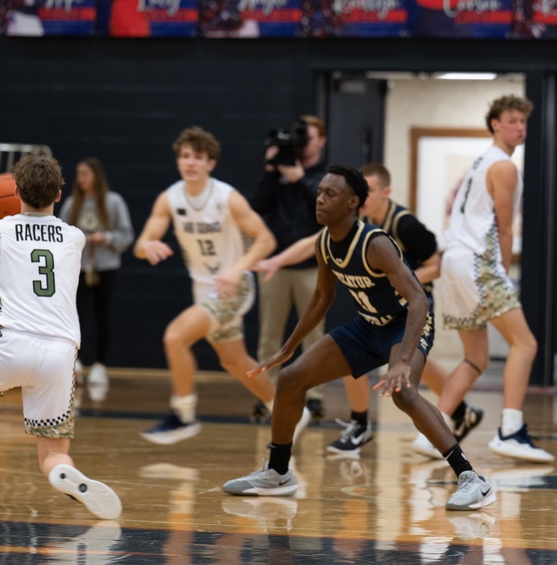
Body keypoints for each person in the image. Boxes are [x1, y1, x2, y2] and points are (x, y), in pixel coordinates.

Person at [221, 165, 497, 512]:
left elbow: (418, 301)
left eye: (329, 194)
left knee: (404, 392)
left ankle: (472, 479)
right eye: (319, 192)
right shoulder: (325, 242)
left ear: (352, 203)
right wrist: (289, 347)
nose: (319, 200)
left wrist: (400, 360)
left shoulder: (375, 243)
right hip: (368, 326)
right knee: (291, 378)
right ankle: (277, 473)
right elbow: (323, 298)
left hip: (404, 324)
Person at [0, 154, 121, 520]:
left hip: (11, 343)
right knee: (52, 452)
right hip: (62, 353)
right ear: (60, 194)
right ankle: (62, 470)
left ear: (15, 192)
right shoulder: (75, 237)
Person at [253, 163, 484, 454]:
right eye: (321, 192)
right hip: (373, 311)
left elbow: (438, 265)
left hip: (411, 307)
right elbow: (312, 248)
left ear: (375, 195)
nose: (322, 198)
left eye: (370, 190)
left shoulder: (404, 225)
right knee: (355, 359)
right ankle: (360, 423)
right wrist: (276, 260)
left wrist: (396, 281)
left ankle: (458, 439)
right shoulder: (346, 227)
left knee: (407, 374)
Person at [135, 126, 310, 445]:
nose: (190, 162)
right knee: (233, 360)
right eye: (185, 156)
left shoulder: (227, 197)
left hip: (234, 287)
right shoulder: (170, 198)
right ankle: (287, 409)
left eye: (198, 157)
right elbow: (142, 241)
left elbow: (266, 240)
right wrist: (147, 246)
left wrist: (237, 269)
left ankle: (184, 414)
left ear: (210, 163)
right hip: (204, 290)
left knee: (175, 337)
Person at [432, 95, 554, 464]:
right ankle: (510, 431)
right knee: (525, 344)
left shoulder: (481, 161)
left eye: (523, 121)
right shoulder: (504, 167)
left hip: (452, 261)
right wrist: (502, 268)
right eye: (512, 120)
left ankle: (433, 431)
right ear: (495, 124)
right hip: (476, 262)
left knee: (476, 357)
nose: (519, 127)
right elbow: (504, 229)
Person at [252, 116, 329, 420]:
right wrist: (271, 171)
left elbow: (326, 210)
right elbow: (256, 206)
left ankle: (315, 396)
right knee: (270, 335)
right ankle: (266, 394)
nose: (302, 144)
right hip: (275, 264)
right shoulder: (278, 171)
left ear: (321, 140)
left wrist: (299, 179)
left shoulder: (324, 174)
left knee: (314, 335)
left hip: (313, 265)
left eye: (307, 138)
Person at [59, 158, 135, 389]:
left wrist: (107, 238)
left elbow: (126, 235)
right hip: (79, 269)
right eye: (78, 174)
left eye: (85, 174)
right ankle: (76, 362)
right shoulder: (72, 204)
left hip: (106, 267)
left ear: (96, 176)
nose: (81, 179)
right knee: (75, 315)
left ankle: (100, 365)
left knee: (103, 316)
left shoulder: (113, 202)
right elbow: (60, 234)